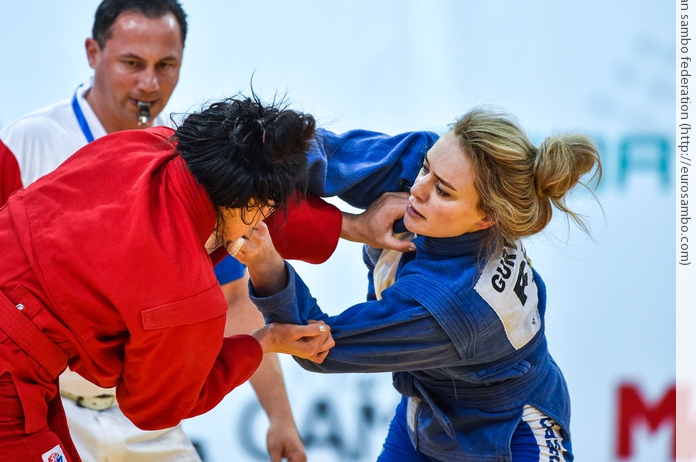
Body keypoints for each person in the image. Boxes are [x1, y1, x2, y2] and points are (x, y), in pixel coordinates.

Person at [0, 0, 310, 462]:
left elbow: (235, 299)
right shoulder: (28, 142)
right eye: (132, 63)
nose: (149, 84)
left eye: (165, 65)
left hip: (143, 412)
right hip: (47, 403)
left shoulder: (196, 160)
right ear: (93, 53)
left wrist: (280, 416)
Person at [0, 96, 341, 461]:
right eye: (266, 209)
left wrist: (349, 227)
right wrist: (262, 342)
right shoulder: (185, 289)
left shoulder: (136, 145)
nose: (262, 224)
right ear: (251, 201)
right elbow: (154, 408)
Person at [234, 108, 602, 462]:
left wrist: (266, 264)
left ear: (486, 218)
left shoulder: (453, 304)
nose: (418, 189)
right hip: (428, 410)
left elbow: (317, 346)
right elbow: (327, 155)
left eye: (444, 192)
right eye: (426, 167)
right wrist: (260, 149)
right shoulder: (434, 169)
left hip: (509, 434)